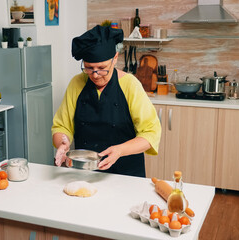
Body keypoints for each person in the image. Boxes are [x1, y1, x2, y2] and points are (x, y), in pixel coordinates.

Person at [51, 25, 161, 177]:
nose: (95, 75)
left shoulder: (130, 84)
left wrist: (120, 150)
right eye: (89, 68)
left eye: (101, 68)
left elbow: (151, 133)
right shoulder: (76, 84)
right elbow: (61, 126)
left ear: (115, 58)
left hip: (127, 174)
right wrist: (62, 144)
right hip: (86, 173)